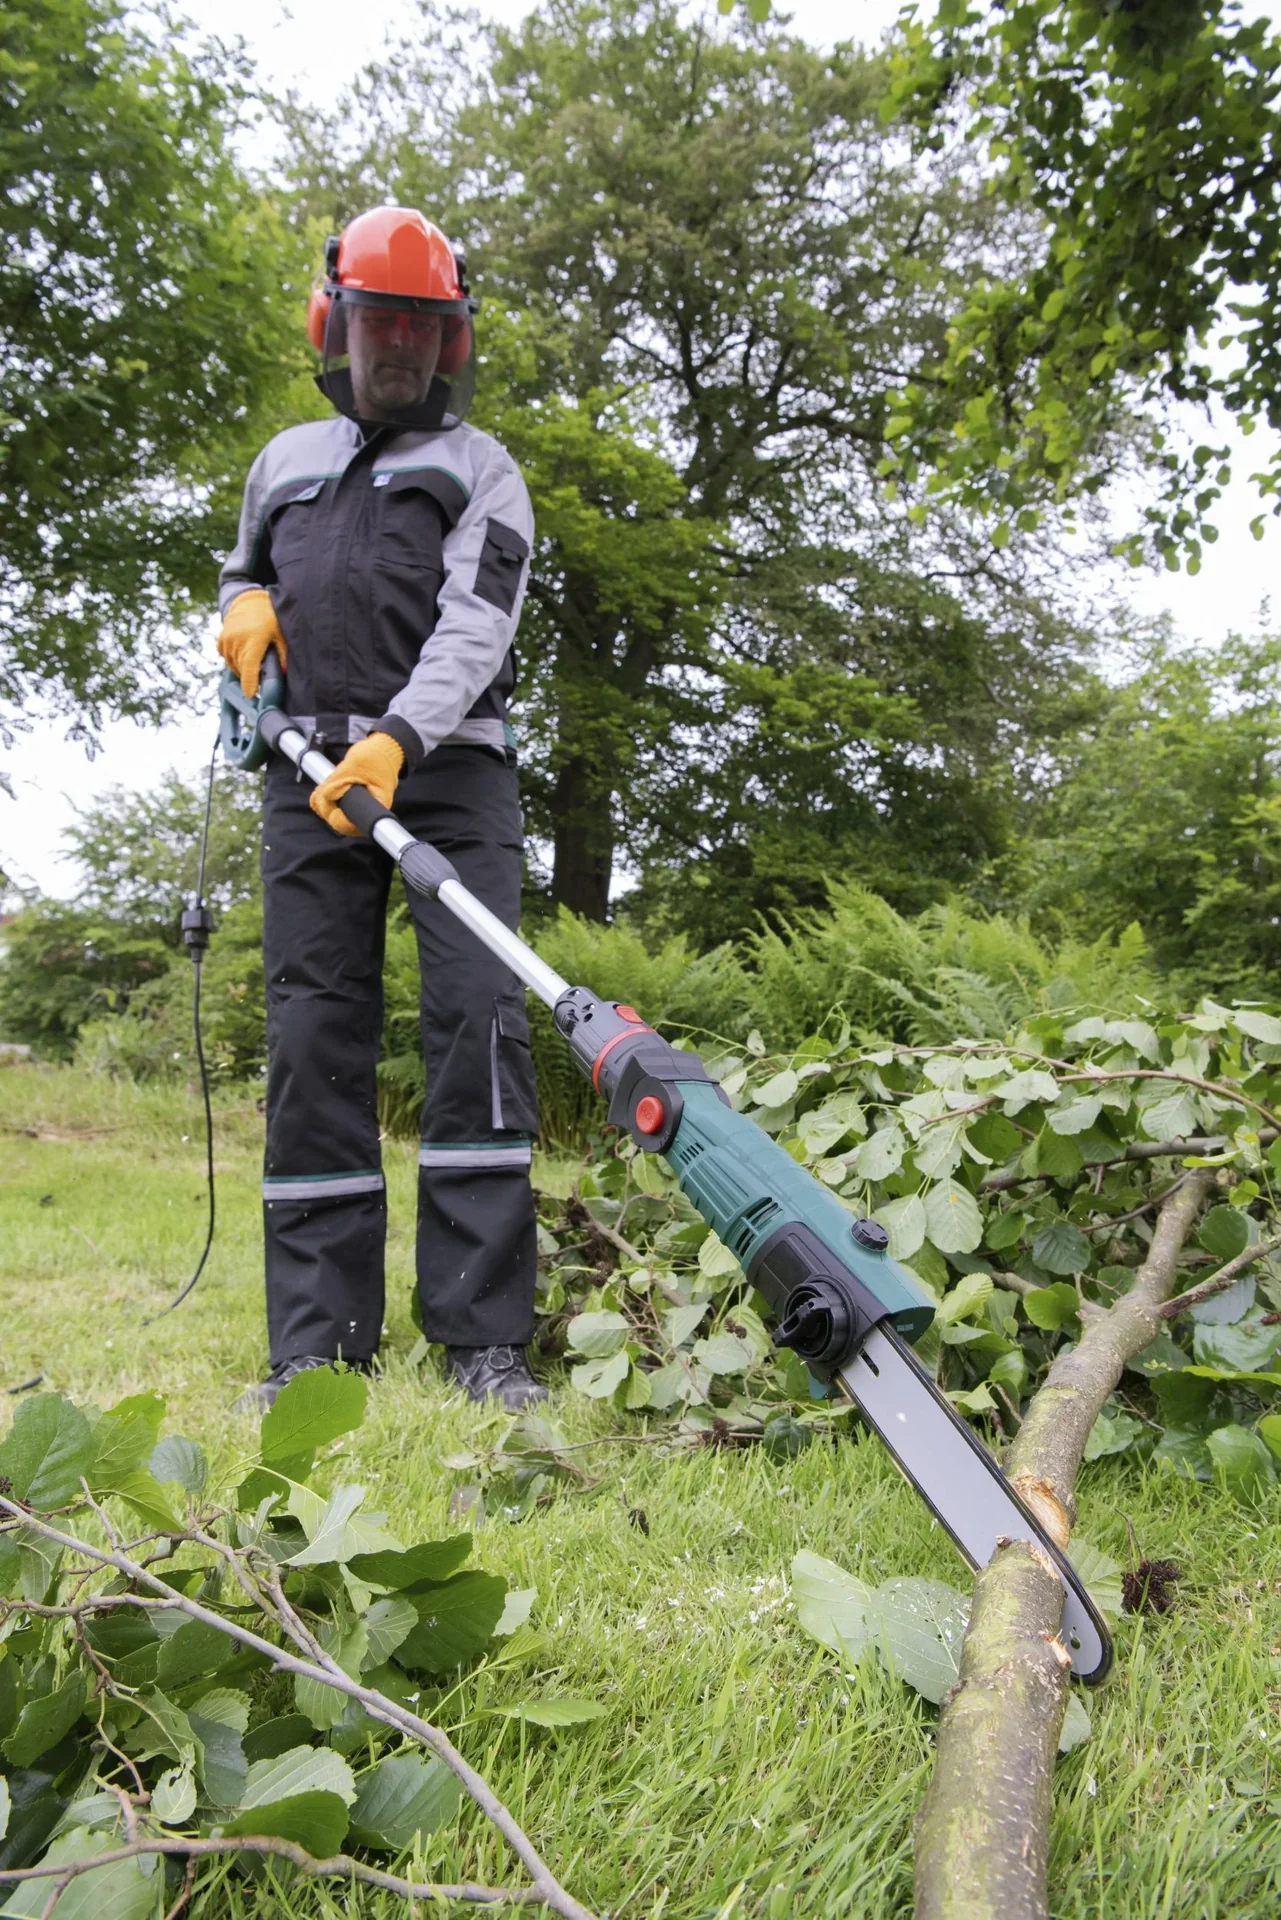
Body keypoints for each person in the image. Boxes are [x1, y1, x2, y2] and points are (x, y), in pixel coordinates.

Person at [217, 205, 545, 1413]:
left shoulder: (482, 471)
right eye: (378, 321)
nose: (398, 345)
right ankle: (318, 1344)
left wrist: (402, 740)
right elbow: (246, 571)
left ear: (450, 340)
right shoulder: (282, 462)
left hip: (448, 777)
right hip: (308, 779)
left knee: (476, 1030)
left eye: (420, 325)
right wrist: (242, 609)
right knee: (314, 1042)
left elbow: (478, 622)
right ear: (336, 323)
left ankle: (484, 1341)